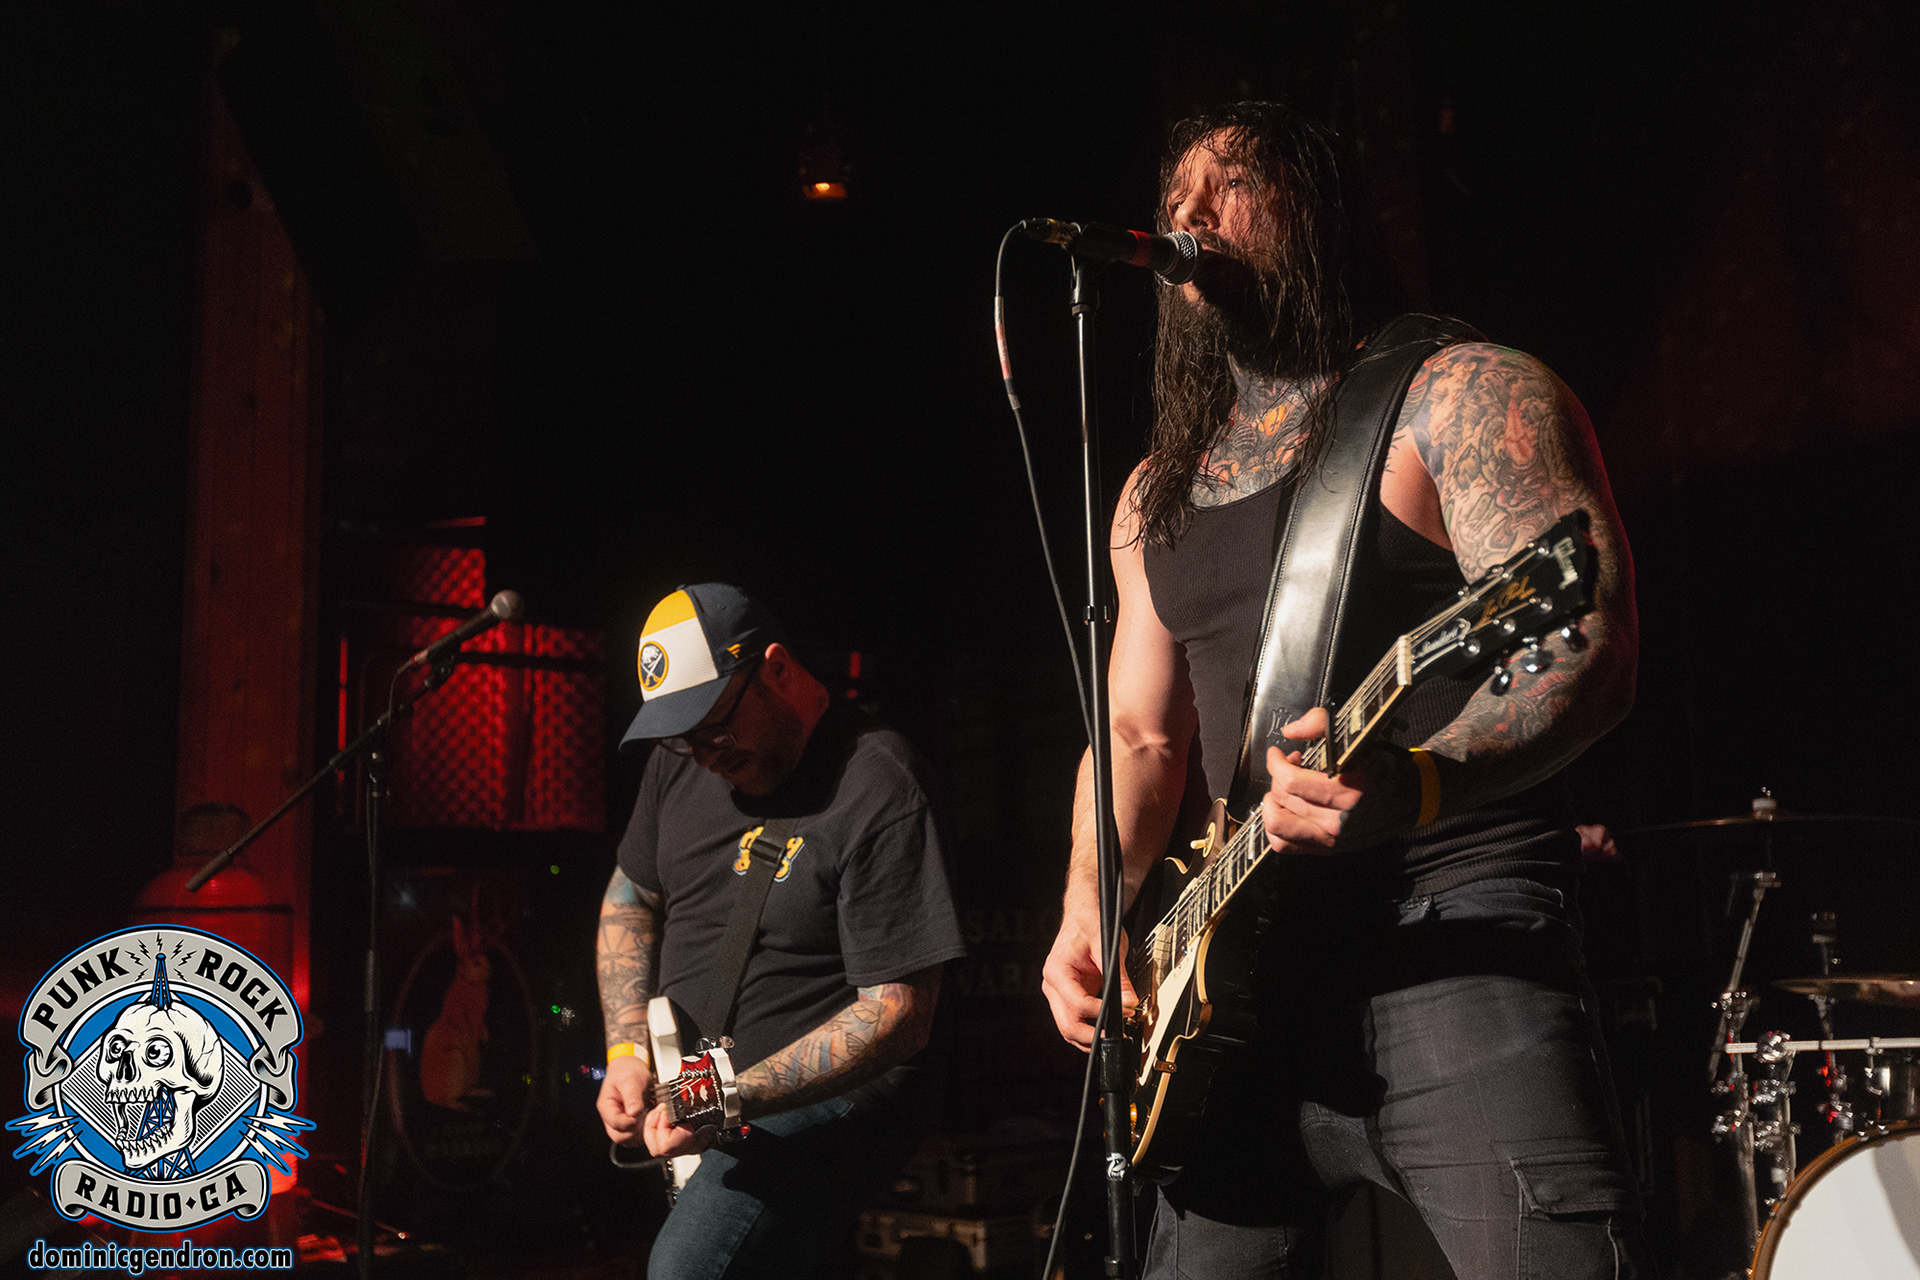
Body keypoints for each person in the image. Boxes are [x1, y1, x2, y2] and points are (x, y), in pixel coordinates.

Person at [1039, 102, 1647, 1279]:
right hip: (1231, 992)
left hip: (1453, 933)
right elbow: (1139, 736)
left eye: (1230, 182)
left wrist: (1424, 780)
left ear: (1314, 210)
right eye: (1175, 193)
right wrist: (1087, 910)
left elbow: (1590, 642)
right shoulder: (1155, 493)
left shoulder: (1462, 395)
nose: (1189, 212)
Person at [595, 583, 966, 1279]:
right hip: (697, 1091)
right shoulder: (679, 764)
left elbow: (898, 1014)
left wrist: (725, 1094)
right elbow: (628, 896)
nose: (702, 755)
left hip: (837, 1097)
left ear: (776, 669)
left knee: (687, 1269)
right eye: (681, 737)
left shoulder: (881, 786)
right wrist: (626, 1051)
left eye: (714, 728)